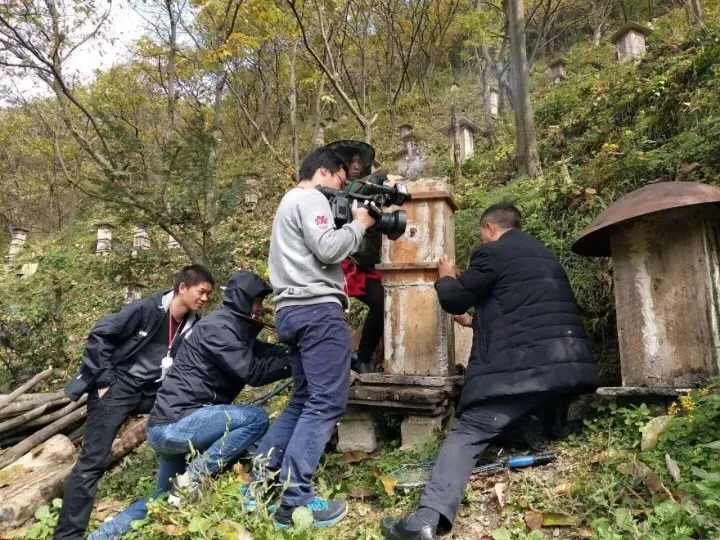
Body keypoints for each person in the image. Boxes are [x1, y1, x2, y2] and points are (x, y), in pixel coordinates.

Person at [380, 203, 598, 540]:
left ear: (490, 229)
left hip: (525, 370)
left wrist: (447, 277)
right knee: (526, 407)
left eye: (482, 235)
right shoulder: (544, 255)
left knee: (469, 429)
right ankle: (544, 431)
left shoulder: (492, 253)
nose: (482, 241)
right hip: (568, 368)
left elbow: (456, 299)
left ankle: (426, 518)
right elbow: (524, 312)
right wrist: (474, 321)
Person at [88, 270, 291, 540]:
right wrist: (296, 364)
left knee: (161, 497)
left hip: (174, 424)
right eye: (257, 301)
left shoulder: (234, 330)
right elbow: (253, 371)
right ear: (244, 299)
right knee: (255, 418)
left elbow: (267, 353)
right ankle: (193, 479)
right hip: (177, 424)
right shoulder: (219, 328)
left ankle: (102, 536)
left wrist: (300, 353)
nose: (260, 308)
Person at [253, 147, 375, 529]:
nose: (341, 189)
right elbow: (328, 248)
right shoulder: (309, 197)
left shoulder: (288, 202)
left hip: (290, 311)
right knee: (326, 402)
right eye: (341, 180)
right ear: (325, 171)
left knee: (304, 398)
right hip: (318, 312)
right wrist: (359, 224)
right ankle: (294, 502)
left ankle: (262, 481)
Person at [55, 265, 215, 540]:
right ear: (182, 288)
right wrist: (104, 381)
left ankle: (175, 493)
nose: (204, 299)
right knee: (92, 462)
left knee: (186, 417)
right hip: (118, 386)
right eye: (201, 292)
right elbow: (100, 334)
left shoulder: (193, 325)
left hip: (152, 391)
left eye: (208, 295)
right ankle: (68, 536)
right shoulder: (146, 310)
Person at [326, 141, 385, 374]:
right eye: (352, 162)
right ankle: (333, 359)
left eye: (360, 162)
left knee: (381, 303)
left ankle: (363, 355)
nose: (356, 166)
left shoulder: (372, 190)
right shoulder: (337, 190)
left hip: (367, 262)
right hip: (344, 260)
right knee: (333, 308)